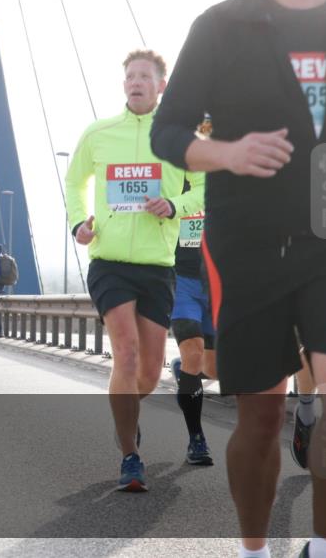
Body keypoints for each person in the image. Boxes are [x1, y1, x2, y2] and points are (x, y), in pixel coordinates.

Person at [151, 0, 326, 555]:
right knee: (260, 413)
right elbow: (169, 131)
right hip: (246, 238)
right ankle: (254, 547)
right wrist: (226, 152)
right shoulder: (221, 26)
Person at [66, 48, 206, 493]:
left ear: (160, 85)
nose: (136, 82)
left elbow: (207, 184)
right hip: (109, 263)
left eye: (145, 76)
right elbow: (75, 181)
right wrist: (79, 223)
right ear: (123, 84)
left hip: (157, 266)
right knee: (123, 354)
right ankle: (131, 456)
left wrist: (174, 205)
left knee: (147, 373)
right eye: (130, 76)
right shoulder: (99, 133)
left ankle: (124, 414)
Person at [167, 180, 217, 466]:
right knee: (194, 351)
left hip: (216, 284)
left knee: (212, 369)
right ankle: (196, 438)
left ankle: (185, 372)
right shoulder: (171, 176)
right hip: (181, 281)